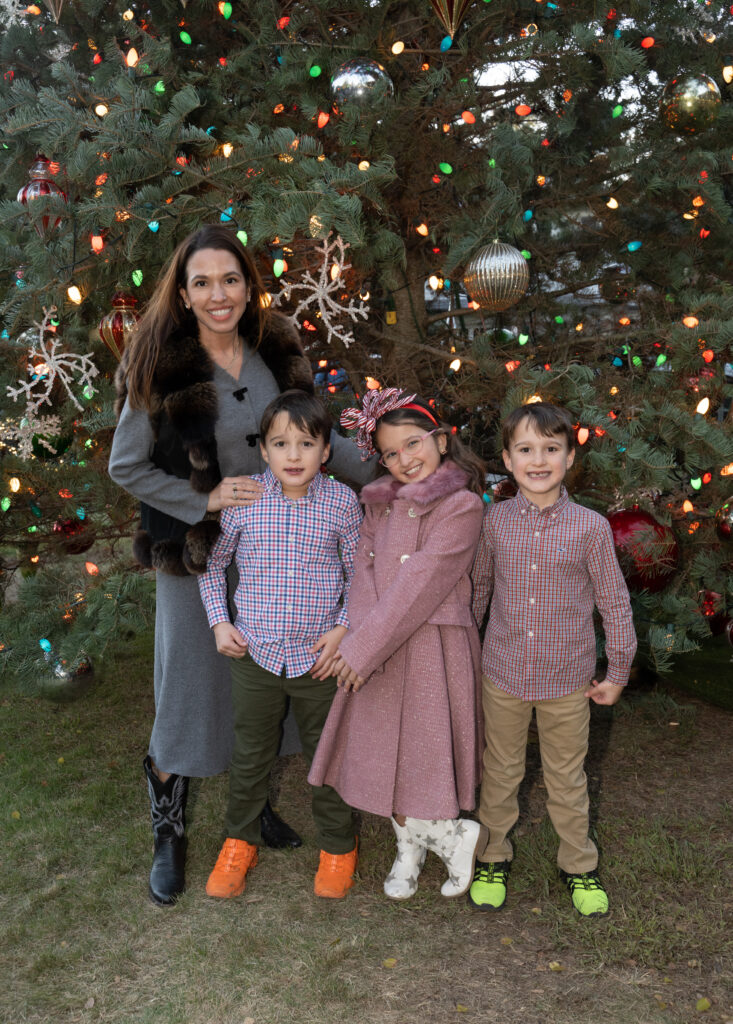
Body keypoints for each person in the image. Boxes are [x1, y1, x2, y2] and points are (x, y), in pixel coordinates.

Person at [108, 224, 371, 906]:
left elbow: (317, 433)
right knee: (190, 690)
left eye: (229, 279)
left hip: (276, 548)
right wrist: (203, 498)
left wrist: (393, 475)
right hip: (196, 555)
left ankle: (251, 810)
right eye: (202, 282)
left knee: (261, 685)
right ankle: (168, 830)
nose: (217, 294)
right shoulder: (157, 363)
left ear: (246, 284)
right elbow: (125, 464)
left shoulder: (274, 349)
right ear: (184, 293)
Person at [309, 387, 488, 900]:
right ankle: (410, 849)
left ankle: (454, 836)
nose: (404, 460)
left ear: (441, 440)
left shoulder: (462, 505)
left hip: (433, 647)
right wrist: (360, 636)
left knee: (423, 751)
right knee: (387, 750)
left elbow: (422, 585)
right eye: (390, 452)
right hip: (378, 640)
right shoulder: (379, 506)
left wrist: (362, 652)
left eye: (414, 444)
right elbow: (362, 569)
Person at [469, 401, 637, 918]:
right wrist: (464, 654)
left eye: (550, 449)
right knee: (499, 771)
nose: (537, 460)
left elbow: (613, 601)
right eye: (525, 449)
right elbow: (478, 591)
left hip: (569, 680)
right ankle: (491, 855)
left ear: (569, 458)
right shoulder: (494, 522)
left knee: (567, 775)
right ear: (507, 458)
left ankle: (579, 865)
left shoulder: (590, 527)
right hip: (503, 673)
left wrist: (618, 672)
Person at [198, 390, 361, 900]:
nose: (294, 455)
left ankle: (337, 845)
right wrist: (220, 623)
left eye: (306, 443)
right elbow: (211, 563)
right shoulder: (245, 499)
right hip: (256, 655)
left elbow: (362, 576)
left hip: (320, 659)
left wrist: (343, 627)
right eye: (281, 444)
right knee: (251, 754)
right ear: (263, 451)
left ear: (325, 451)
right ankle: (238, 842)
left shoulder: (342, 503)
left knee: (326, 754)